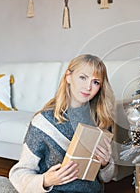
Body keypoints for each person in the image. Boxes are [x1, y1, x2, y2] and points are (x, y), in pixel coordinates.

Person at [9, 54, 116, 193]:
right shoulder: (44, 122)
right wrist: (46, 181)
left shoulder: (101, 120)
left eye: (96, 82)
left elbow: (106, 178)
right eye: (83, 77)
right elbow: (18, 173)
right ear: (68, 77)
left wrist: (106, 164)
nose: (88, 87)